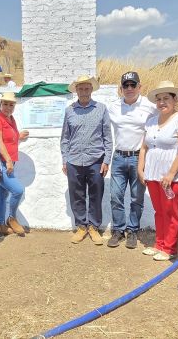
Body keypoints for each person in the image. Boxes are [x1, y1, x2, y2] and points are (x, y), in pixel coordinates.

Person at [137, 81, 178, 261]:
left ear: (174, 99)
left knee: (171, 211)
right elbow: (144, 147)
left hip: (172, 177)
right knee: (159, 211)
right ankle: (159, 244)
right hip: (152, 174)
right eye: (159, 99)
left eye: (166, 98)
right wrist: (141, 168)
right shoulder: (151, 121)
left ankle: (169, 247)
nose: (162, 102)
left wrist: (170, 173)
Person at [106, 71, 156, 249]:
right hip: (118, 157)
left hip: (138, 158)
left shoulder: (150, 107)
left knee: (136, 198)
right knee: (115, 196)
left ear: (139, 87)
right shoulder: (113, 107)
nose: (129, 88)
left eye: (132, 85)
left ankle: (133, 230)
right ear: (121, 89)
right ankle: (118, 230)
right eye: (125, 85)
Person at [61, 75, 113, 245]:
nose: (83, 91)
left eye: (86, 88)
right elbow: (65, 138)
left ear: (91, 89)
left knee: (96, 194)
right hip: (74, 160)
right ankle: (81, 226)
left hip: (96, 160)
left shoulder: (101, 108)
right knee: (77, 195)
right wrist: (64, 160)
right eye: (80, 88)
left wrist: (106, 160)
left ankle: (94, 227)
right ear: (76, 90)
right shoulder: (69, 110)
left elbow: (107, 136)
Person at [0, 91, 30, 237]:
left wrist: (18, 136)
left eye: (11, 105)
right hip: (2, 162)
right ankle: (11, 218)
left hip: (10, 161)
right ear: (0, 104)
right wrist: (7, 160)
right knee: (18, 190)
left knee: (3, 195)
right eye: (5, 104)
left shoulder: (11, 119)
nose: (8, 107)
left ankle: (0, 225)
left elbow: (9, 138)